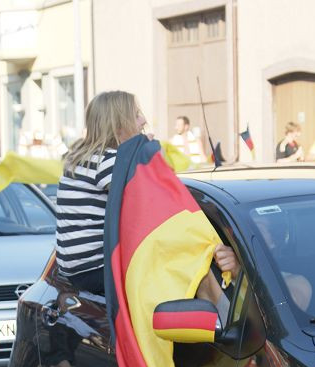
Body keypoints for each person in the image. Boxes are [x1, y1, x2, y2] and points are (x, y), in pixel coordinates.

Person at [56, 90, 239, 294]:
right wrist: (149, 155)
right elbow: (157, 201)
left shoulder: (84, 158)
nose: (143, 120)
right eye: (135, 115)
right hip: (97, 270)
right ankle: (219, 323)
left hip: (76, 271)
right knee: (198, 270)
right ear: (117, 125)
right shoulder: (109, 161)